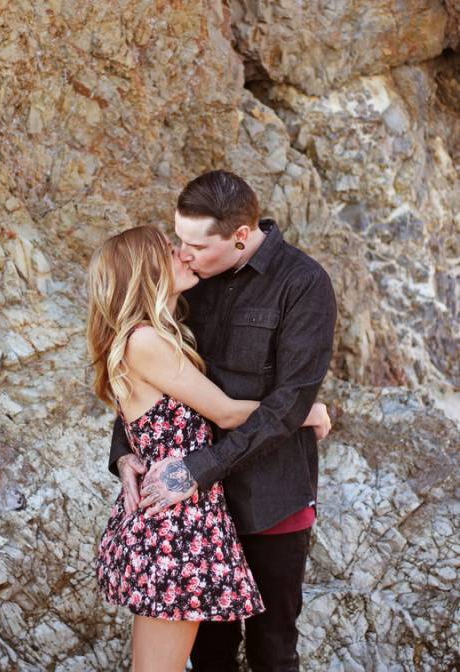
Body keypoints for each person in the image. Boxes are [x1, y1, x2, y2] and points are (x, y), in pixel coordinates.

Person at [109, 171, 337, 672]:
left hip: (270, 497)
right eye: (179, 241)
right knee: (209, 655)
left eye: (196, 245)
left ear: (240, 235)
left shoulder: (303, 284)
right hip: (197, 509)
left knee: (272, 649)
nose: (184, 254)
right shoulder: (189, 283)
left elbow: (290, 401)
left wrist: (200, 466)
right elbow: (152, 375)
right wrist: (124, 452)